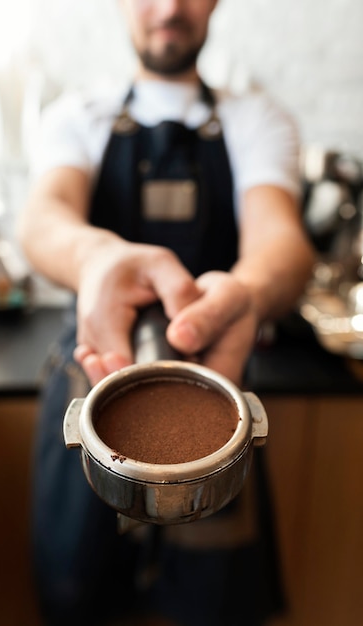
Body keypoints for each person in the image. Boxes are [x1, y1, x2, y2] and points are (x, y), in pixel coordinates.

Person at [17, 1, 315, 624]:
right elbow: (43, 221)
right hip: (92, 376)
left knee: (210, 606)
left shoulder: (257, 118)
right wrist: (96, 256)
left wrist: (251, 291)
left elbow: (282, 245)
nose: (171, 7)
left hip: (216, 398)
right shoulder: (78, 116)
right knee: (78, 597)